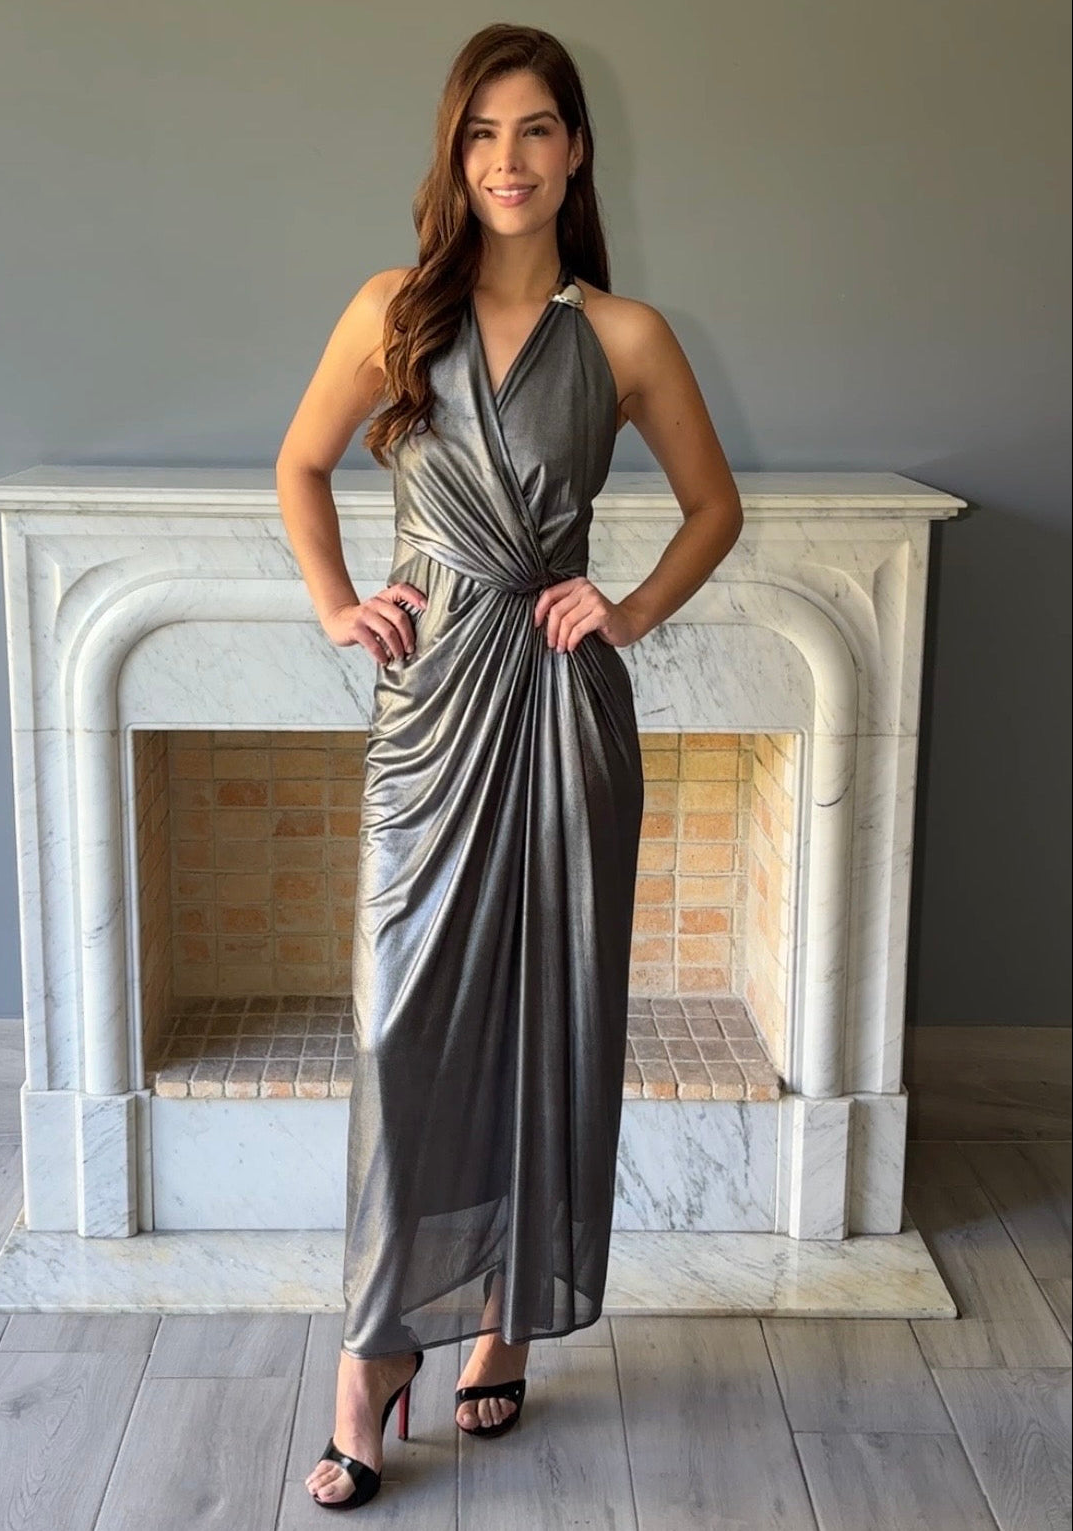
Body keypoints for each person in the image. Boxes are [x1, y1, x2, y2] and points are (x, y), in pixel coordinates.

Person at [275, 22, 743, 1512]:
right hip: (428, 718)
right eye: (482, 132)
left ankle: (501, 1321)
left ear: (576, 149)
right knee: (398, 1033)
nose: (509, 160)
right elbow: (299, 465)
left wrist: (630, 609)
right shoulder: (392, 310)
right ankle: (375, 1352)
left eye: (536, 129)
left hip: (557, 714)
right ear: (454, 152)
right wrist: (339, 605)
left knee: (548, 1021)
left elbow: (714, 508)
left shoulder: (627, 337)